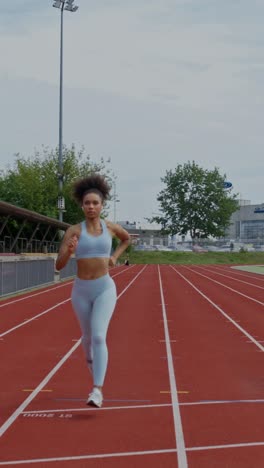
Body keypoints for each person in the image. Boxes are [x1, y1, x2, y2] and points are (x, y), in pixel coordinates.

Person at [55, 173, 130, 408]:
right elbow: (58, 265)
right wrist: (69, 250)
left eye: (95, 203)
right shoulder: (74, 231)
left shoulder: (110, 228)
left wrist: (115, 257)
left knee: (99, 336)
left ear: (101, 205)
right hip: (81, 290)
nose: (91, 207)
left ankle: (97, 390)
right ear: (82, 205)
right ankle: (90, 361)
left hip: (104, 287)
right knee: (87, 338)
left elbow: (127, 240)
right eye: (87, 203)